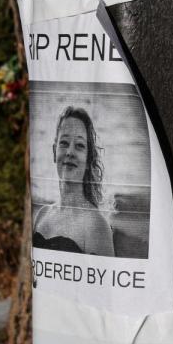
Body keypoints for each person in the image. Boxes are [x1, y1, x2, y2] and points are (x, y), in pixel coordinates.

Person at [33, 106, 116, 256]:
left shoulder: (96, 225)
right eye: (64, 143)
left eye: (79, 146)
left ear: (88, 159)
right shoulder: (41, 215)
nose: (70, 152)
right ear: (54, 152)